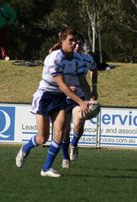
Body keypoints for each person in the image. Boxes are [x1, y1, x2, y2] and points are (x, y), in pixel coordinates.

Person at [15, 27, 90, 178]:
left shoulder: (78, 59)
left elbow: (83, 81)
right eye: (70, 40)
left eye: (75, 40)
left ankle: (46, 168)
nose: (74, 43)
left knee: (61, 132)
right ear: (62, 41)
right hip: (45, 97)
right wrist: (80, 102)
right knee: (42, 138)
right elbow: (61, 84)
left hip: (60, 98)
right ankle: (25, 148)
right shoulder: (54, 58)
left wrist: (88, 100)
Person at [61, 35, 98, 168]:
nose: (77, 46)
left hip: (80, 96)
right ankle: (65, 157)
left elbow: (94, 69)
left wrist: (94, 88)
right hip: (63, 96)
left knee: (79, 124)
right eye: (74, 43)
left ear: (82, 46)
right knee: (64, 130)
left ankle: (74, 144)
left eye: (79, 44)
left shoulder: (87, 59)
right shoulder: (62, 58)